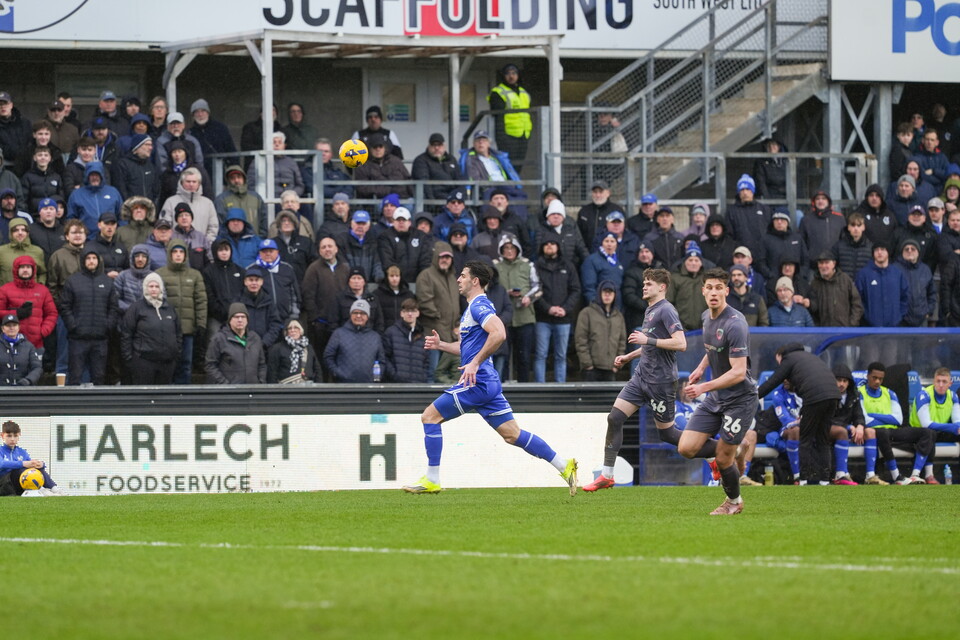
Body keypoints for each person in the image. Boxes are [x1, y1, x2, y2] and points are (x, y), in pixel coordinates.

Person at [402, 260, 578, 494]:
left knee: (429, 417)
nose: (458, 279)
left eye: (463, 275)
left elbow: (500, 333)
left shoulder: (479, 306)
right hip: (488, 384)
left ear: (475, 281)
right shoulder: (472, 309)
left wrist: (474, 364)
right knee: (512, 434)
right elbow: (467, 348)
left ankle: (432, 479)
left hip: (478, 382)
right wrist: (442, 345)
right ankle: (564, 465)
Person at [583, 268, 687, 491]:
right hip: (641, 377)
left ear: (662, 287)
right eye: (644, 283)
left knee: (668, 434)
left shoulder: (667, 310)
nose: (644, 286)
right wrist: (630, 355)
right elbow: (652, 344)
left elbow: (681, 343)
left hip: (661, 381)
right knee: (614, 418)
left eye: (649, 283)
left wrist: (647, 340)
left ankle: (711, 454)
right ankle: (607, 475)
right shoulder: (650, 309)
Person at [678, 268, 758, 515]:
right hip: (717, 397)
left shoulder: (735, 324)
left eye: (718, 288)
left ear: (727, 291)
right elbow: (713, 348)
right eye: (709, 288)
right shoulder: (706, 317)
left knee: (724, 460)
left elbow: (738, 372)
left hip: (740, 399)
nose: (713, 293)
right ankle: (737, 446)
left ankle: (734, 502)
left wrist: (703, 386)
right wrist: (701, 368)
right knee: (686, 447)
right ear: (703, 291)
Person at [756, 343, 840, 484]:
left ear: (781, 356)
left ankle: (804, 480)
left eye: (779, 362)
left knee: (805, 439)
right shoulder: (810, 357)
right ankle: (825, 481)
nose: (780, 365)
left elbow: (773, 381)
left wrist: (751, 396)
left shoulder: (789, 359)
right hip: (834, 396)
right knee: (823, 439)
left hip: (814, 397)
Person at [860, 361, 935, 484]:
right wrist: (886, 417)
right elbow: (865, 419)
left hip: (892, 430)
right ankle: (896, 476)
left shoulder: (890, 393)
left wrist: (873, 415)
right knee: (883, 432)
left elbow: (898, 419)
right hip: (875, 431)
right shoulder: (860, 393)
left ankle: (915, 474)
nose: (877, 381)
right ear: (868, 376)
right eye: (874, 378)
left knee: (927, 432)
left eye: (880, 379)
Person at [60, 248, 118, 385]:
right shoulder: (73, 281)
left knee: (99, 376)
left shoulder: (107, 282)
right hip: (78, 338)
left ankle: (97, 406)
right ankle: (73, 406)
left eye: (94, 258)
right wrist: (73, 326)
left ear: (98, 261)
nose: (91, 261)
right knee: (75, 376)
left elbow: (114, 307)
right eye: (88, 258)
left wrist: (107, 326)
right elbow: (64, 306)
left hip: (100, 338)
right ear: (83, 261)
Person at [156, 240, 208, 384]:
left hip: (187, 329)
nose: (178, 255)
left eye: (181, 252)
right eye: (175, 252)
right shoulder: (159, 274)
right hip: (166, 329)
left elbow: (201, 301)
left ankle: (183, 396)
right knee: (167, 362)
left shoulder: (195, 275)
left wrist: (201, 324)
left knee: (186, 363)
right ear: (169, 254)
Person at [532, 237, 580, 383]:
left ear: (558, 247)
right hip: (542, 318)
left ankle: (561, 387)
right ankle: (539, 388)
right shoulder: (535, 266)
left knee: (561, 355)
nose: (549, 245)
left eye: (552, 243)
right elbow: (534, 290)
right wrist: (548, 308)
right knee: (541, 355)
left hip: (563, 318)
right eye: (546, 243)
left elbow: (576, 290)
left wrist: (565, 309)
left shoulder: (568, 266)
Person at [120, 272, 181, 385]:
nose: (154, 289)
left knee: (163, 398)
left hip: (167, 363)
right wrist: (129, 359)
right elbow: (127, 334)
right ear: (145, 288)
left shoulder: (169, 308)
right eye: (151, 286)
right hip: (143, 362)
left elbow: (178, 333)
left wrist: (175, 353)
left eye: (157, 286)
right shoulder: (136, 308)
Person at [416, 242, 460, 382]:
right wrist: (440, 317)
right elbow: (425, 302)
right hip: (432, 332)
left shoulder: (453, 278)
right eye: (442, 257)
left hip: (451, 334)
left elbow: (456, 303)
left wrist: (457, 323)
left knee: (448, 373)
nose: (445, 260)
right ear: (436, 258)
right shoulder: (426, 275)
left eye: (448, 257)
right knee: (432, 372)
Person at [909, 367, 960, 483]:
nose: (941, 385)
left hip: (940, 431)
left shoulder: (953, 396)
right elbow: (926, 424)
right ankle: (928, 475)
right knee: (929, 433)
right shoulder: (924, 395)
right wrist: (952, 427)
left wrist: (957, 427)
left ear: (950, 383)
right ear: (934, 382)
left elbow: (957, 420)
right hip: (919, 433)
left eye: (944, 382)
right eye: (938, 381)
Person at [0, 255, 57, 352]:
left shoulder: (43, 290)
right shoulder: (5, 289)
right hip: (10, 343)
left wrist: (42, 332)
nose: (25, 270)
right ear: (16, 270)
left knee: (36, 367)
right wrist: (16, 314)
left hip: (36, 344)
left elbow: (52, 313)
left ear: (33, 270)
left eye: (28, 267)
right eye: (22, 267)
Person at [323, 299, 387, 383]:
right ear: (350, 315)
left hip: (369, 386)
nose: (358, 316)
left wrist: (375, 376)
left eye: (363, 313)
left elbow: (381, 361)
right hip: (343, 386)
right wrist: (337, 373)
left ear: (368, 316)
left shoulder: (375, 337)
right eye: (355, 313)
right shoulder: (339, 333)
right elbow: (328, 357)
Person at [574, 280, 626, 382]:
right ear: (599, 293)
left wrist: (617, 365)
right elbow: (581, 340)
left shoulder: (618, 316)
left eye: (610, 292)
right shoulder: (586, 313)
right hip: (591, 369)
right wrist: (587, 364)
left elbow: (622, 342)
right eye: (604, 292)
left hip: (611, 369)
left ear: (615, 295)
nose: (607, 295)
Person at [830, 364, 873, 485]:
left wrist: (860, 425)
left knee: (870, 432)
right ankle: (841, 473)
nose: (841, 384)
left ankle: (870, 476)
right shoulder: (827, 395)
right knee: (842, 431)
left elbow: (859, 415)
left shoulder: (854, 396)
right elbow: (827, 419)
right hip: (829, 432)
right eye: (838, 380)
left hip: (849, 431)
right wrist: (848, 427)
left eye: (845, 381)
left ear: (849, 383)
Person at [205, 302, 266, 384]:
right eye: (236, 317)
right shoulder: (219, 339)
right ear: (230, 320)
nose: (240, 320)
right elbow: (210, 365)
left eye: (243, 317)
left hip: (252, 391)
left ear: (247, 320)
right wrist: (225, 384)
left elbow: (262, 364)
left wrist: (260, 382)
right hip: (230, 393)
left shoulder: (255, 338)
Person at [487, 63, 532, 172]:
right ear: (503, 76)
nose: (511, 76)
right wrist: (501, 137)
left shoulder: (524, 93)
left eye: (514, 73)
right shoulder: (498, 92)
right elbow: (497, 116)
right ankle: (508, 188)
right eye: (508, 74)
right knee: (507, 166)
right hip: (507, 136)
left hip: (523, 135)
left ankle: (515, 188)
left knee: (518, 167)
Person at [855, 242, 910, 328]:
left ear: (888, 252)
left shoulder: (897, 274)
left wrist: (898, 316)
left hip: (894, 327)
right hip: (870, 328)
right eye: (876, 250)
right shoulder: (864, 274)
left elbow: (905, 297)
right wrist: (867, 317)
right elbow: (858, 299)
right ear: (873, 254)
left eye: (883, 249)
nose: (879, 252)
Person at [0, 421, 61, 497]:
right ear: (2, 436)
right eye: (9, 436)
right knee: (19, 470)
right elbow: (1, 464)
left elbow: (30, 466)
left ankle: (55, 489)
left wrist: (40, 464)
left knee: (34, 469)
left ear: (19, 436)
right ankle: (41, 490)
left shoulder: (22, 451)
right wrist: (23, 463)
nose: (12, 439)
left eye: (15, 436)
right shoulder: (1, 450)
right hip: (4, 484)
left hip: (18, 484)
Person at [159, 167, 219, 244]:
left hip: (200, 251)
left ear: (199, 184)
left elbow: (213, 227)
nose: (191, 184)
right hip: (176, 250)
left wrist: (206, 244)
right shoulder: (170, 202)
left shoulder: (208, 203)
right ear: (181, 182)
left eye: (194, 182)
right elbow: (164, 227)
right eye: (188, 181)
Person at [725, 174, 770, 271]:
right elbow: (729, 235)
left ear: (753, 191)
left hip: (762, 258)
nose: (745, 193)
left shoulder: (764, 209)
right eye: (742, 190)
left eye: (748, 189)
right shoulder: (732, 211)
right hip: (742, 258)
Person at [376, 206, 431, 284]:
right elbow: (387, 260)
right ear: (393, 222)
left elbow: (425, 260)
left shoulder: (420, 236)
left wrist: (422, 280)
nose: (401, 222)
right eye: (398, 220)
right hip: (395, 283)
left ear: (409, 222)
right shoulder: (385, 237)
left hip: (418, 282)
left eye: (404, 220)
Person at [808, 251, 863, 327]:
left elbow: (857, 304)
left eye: (826, 262)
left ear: (834, 264)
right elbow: (813, 310)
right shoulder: (815, 283)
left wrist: (851, 325)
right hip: (823, 333)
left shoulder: (845, 280)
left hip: (845, 332)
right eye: (821, 263)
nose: (823, 266)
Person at [66, 162, 122, 235]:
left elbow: (122, 215)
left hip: (111, 238)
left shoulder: (113, 192)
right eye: (92, 175)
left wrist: (118, 233)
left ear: (102, 176)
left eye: (97, 175)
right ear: (87, 176)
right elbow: (71, 218)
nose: (95, 177)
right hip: (87, 239)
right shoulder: (76, 194)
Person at [382, 297, 429, 383]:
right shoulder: (391, 332)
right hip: (396, 386)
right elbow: (385, 357)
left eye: (413, 311)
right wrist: (395, 375)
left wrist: (422, 377)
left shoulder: (422, 336)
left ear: (418, 313)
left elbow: (426, 361)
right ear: (401, 313)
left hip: (418, 385)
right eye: (407, 311)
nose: (410, 314)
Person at [247, 131, 305, 200]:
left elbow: (300, 185)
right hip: (266, 200)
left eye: (280, 142)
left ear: (284, 146)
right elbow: (251, 185)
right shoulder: (258, 162)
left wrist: (291, 194)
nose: (276, 145)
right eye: (273, 142)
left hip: (288, 200)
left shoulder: (291, 162)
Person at [214, 165, 268, 238]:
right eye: (232, 178)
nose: (236, 180)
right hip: (232, 244)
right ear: (228, 181)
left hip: (254, 242)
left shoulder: (256, 198)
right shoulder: (221, 200)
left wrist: (260, 239)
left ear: (244, 178)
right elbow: (220, 225)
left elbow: (263, 221)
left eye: (239, 177)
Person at [354, 133, 412, 199]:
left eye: (380, 146)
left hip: (401, 198)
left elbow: (407, 180)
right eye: (375, 147)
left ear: (385, 148)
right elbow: (362, 188)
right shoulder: (363, 165)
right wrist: (388, 190)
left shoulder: (396, 161)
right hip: (378, 200)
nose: (378, 149)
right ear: (369, 149)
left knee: (411, 204)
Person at [411, 132, 462, 206]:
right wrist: (433, 203)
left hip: (453, 199)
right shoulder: (421, 160)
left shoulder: (451, 159)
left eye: (439, 145)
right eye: (433, 145)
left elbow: (459, 180)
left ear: (444, 146)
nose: (436, 148)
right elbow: (424, 184)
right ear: (429, 146)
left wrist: (460, 199)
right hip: (435, 200)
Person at [335, 210, 383, 283]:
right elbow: (342, 265)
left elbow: (377, 264)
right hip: (347, 284)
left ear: (368, 226)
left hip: (367, 285)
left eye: (363, 224)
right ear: (352, 223)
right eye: (358, 223)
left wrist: (380, 279)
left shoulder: (372, 242)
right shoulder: (342, 241)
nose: (360, 226)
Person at [666, 245, 707, 331]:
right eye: (690, 260)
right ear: (685, 261)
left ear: (701, 263)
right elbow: (668, 303)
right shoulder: (675, 279)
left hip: (704, 329)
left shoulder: (706, 279)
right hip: (681, 329)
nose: (693, 263)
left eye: (696, 260)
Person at [267, 319, 321, 383]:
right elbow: (272, 372)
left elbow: (317, 370)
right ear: (286, 332)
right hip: (285, 388)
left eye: (296, 327)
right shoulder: (277, 348)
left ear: (301, 331)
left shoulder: (309, 347)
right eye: (289, 328)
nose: (293, 330)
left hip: (308, 387)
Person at [897, 239, 936, 327]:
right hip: (901, 321)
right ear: (902, 252)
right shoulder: (895, 269)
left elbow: (932, 293)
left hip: (921, 320)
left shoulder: (925, 270)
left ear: (918, 252)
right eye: (906, 249)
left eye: (913, 249)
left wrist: (928, 311)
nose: (909, 251)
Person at [0, 218, 46, 285]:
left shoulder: (37, 251)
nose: (20, 233)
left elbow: (42, 273)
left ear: (27, 233)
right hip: (7, 294)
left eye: (23, 230)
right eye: (16, 230)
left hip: (32, 293)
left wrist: (39, 287)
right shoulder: (1, 251)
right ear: (10, 233)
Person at [0, 313, 42, 386]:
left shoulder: (29, 346)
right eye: (8, 325)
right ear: (3, 328)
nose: (11, 328)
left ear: (19, 327)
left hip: (24, 390)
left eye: (14, 325)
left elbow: (37, 368)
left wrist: (28, 380)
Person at [373, 264, 415, 330]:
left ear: (400, 277)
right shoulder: (378, 294)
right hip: (384, 331)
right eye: (391, 276)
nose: (394, 279)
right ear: (387, 277)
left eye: (397, 276)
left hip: (404, 331)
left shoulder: (408, 295)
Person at [855, 184, 898, 248]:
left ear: (881, 198)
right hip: (864, 254)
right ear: (867, 198)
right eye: (871, 195)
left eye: (877, 195)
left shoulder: (889, 215)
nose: (874, 198)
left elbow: (895, 236)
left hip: (885, 254)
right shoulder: (859, 214)